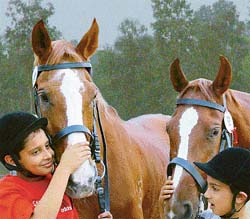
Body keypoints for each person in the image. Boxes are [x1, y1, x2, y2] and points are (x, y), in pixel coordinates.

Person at [0, 111, 113, 219]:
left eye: (47, 145)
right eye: (36, 152)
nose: (48, 155)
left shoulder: (56, 179)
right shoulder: (5, 192)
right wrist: (64, 169)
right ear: (11, 160)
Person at [159, 147, 250, 219]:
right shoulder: (206, 216)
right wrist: (162, 208)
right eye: (208, 185)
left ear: (239, 197)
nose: (206, 194)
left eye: (215, 188)